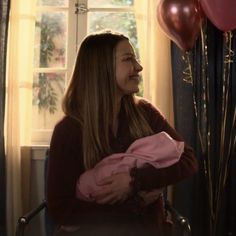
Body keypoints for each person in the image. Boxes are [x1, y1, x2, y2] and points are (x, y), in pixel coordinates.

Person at [47, 30, 198, 236]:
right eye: (128, 59)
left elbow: (188, 160)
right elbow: (61, 210)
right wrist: (132, 203)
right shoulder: (69, 130)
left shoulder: (145, 113)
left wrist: (135, 181)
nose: (139, 67)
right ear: (102, 69)